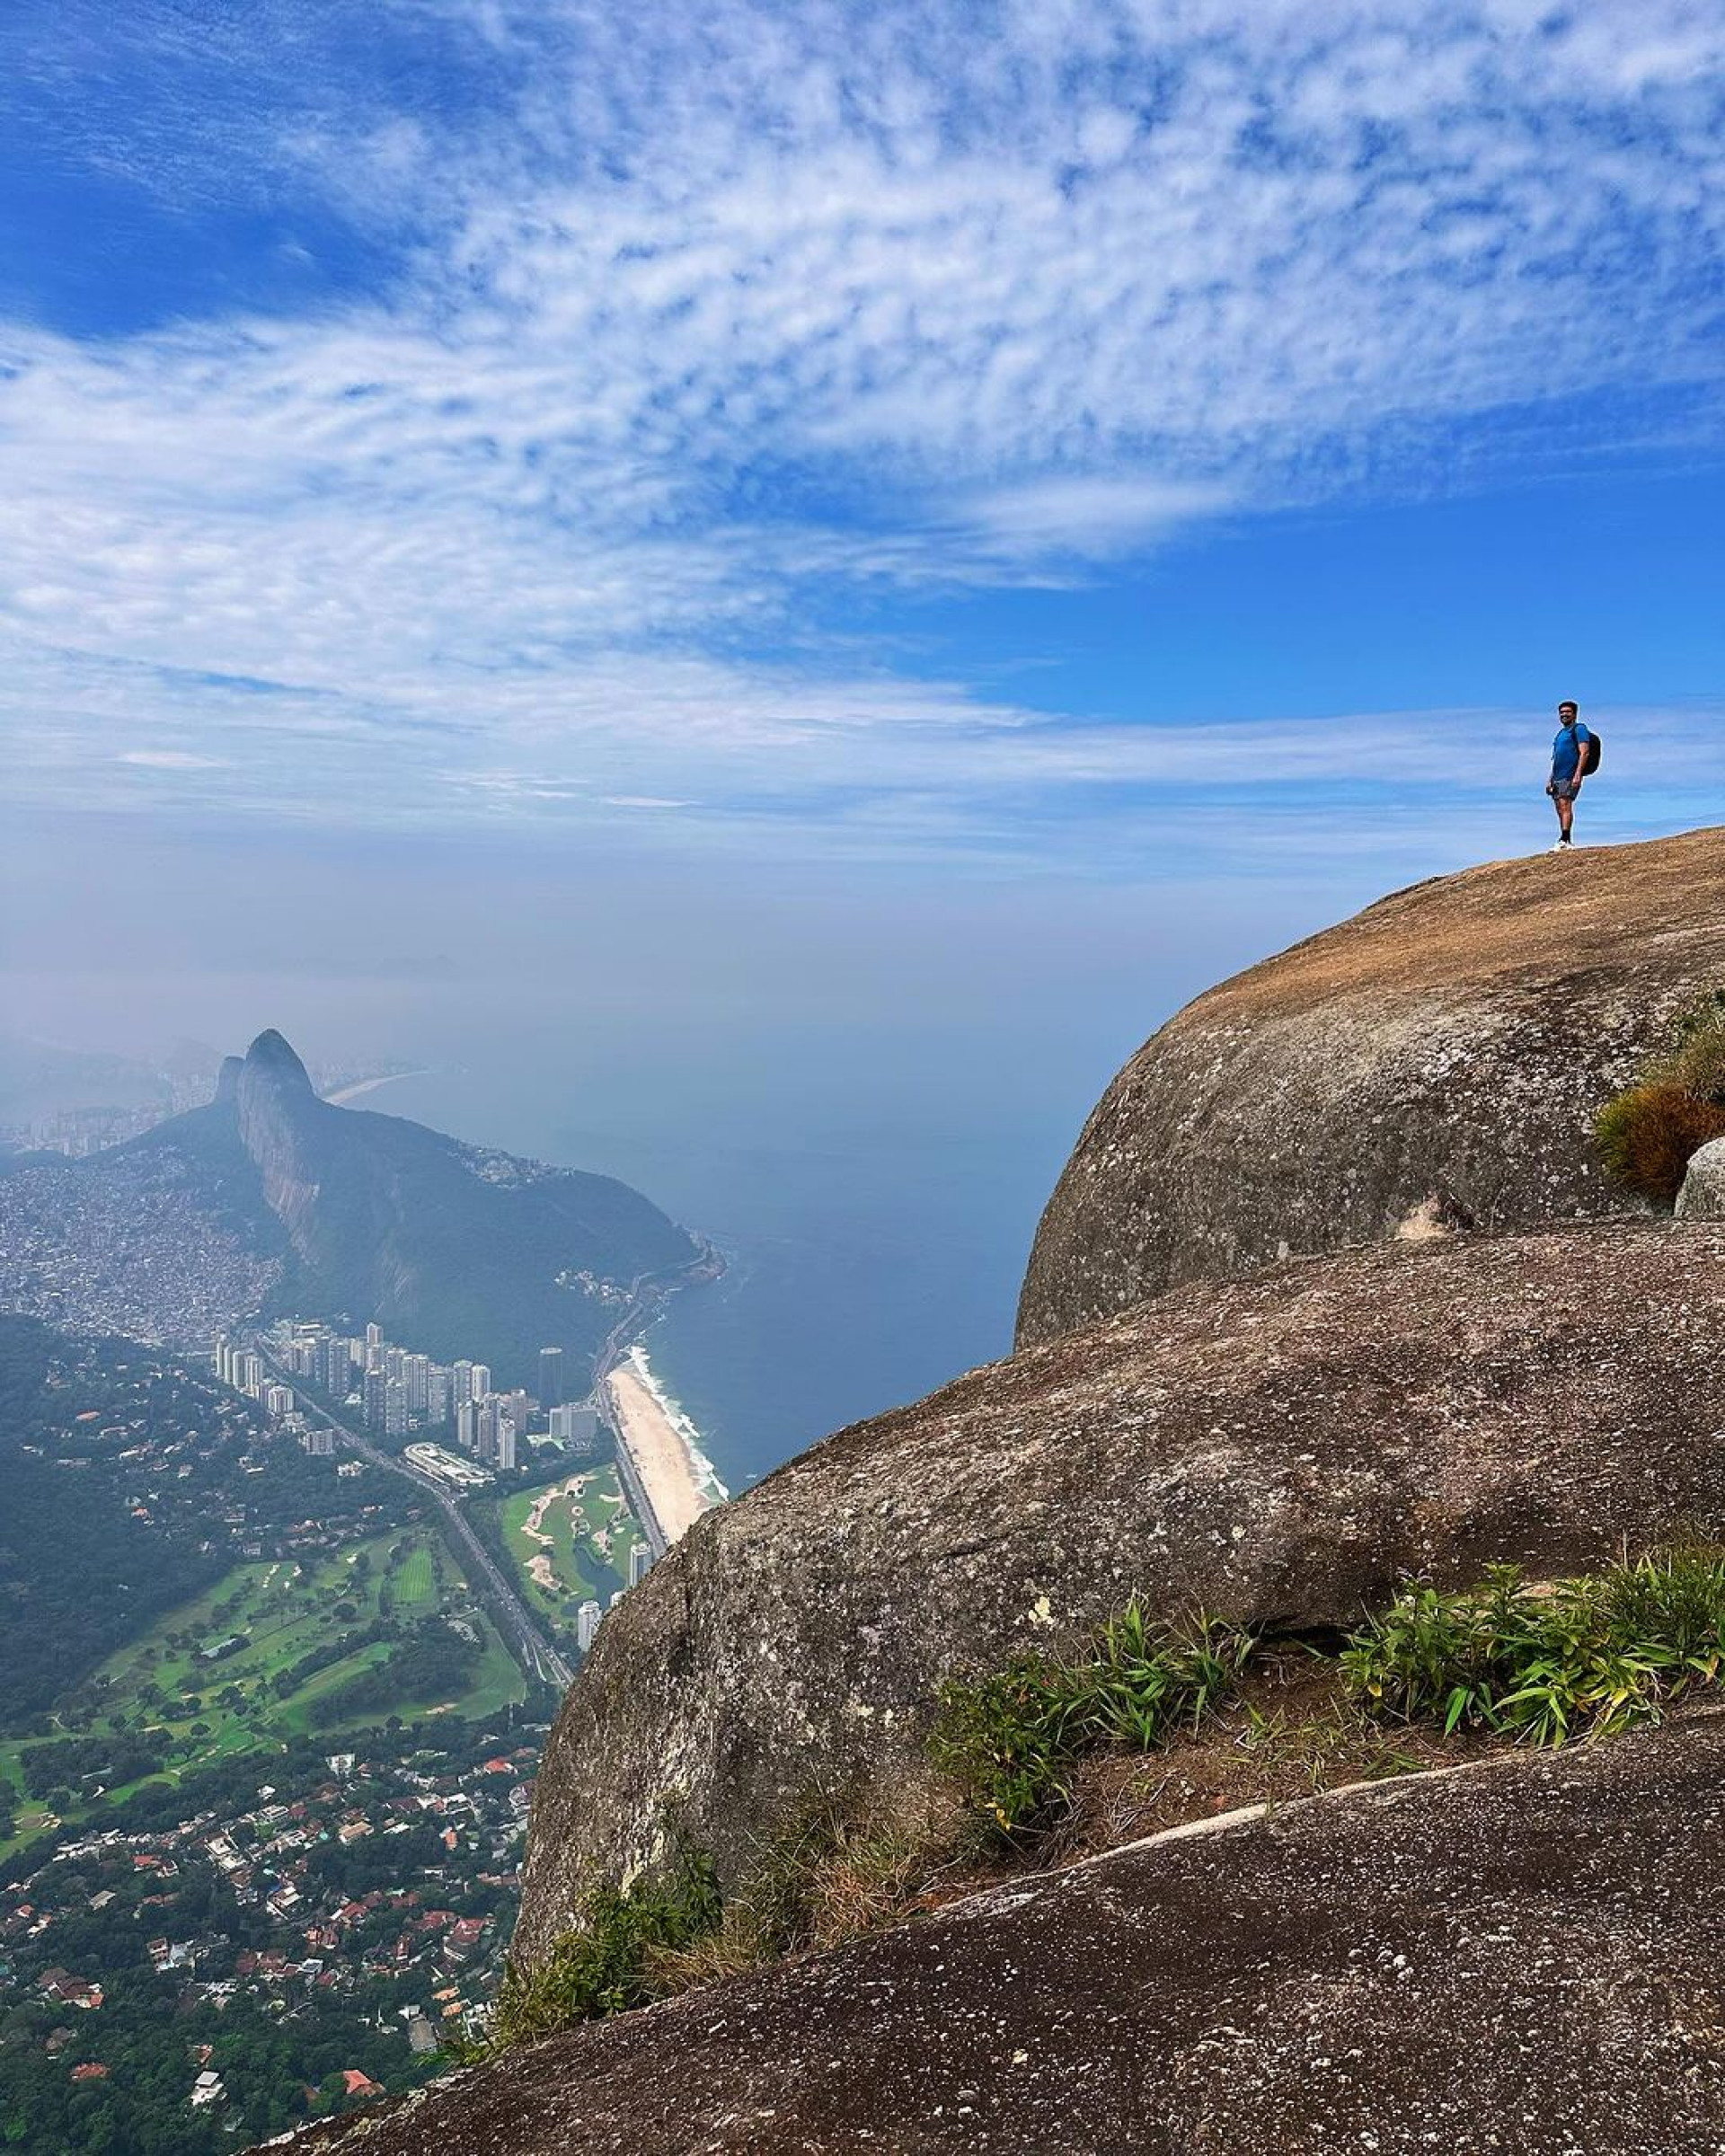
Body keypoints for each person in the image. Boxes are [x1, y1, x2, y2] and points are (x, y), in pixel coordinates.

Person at [1545, 700, 1591, 851]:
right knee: (1559, 807)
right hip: (1557, 776)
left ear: (1574, 714)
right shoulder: (1560, 734)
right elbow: (1556, 757)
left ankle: (1565, 839)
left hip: (1570, 774)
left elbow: (1584, 752)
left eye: (1567, 712)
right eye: (1562, 713)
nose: (1564, 715)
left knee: (1565, 804)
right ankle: (1565, 838)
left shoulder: (1579, 729)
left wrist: (1578, 774)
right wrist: (1550, 779)